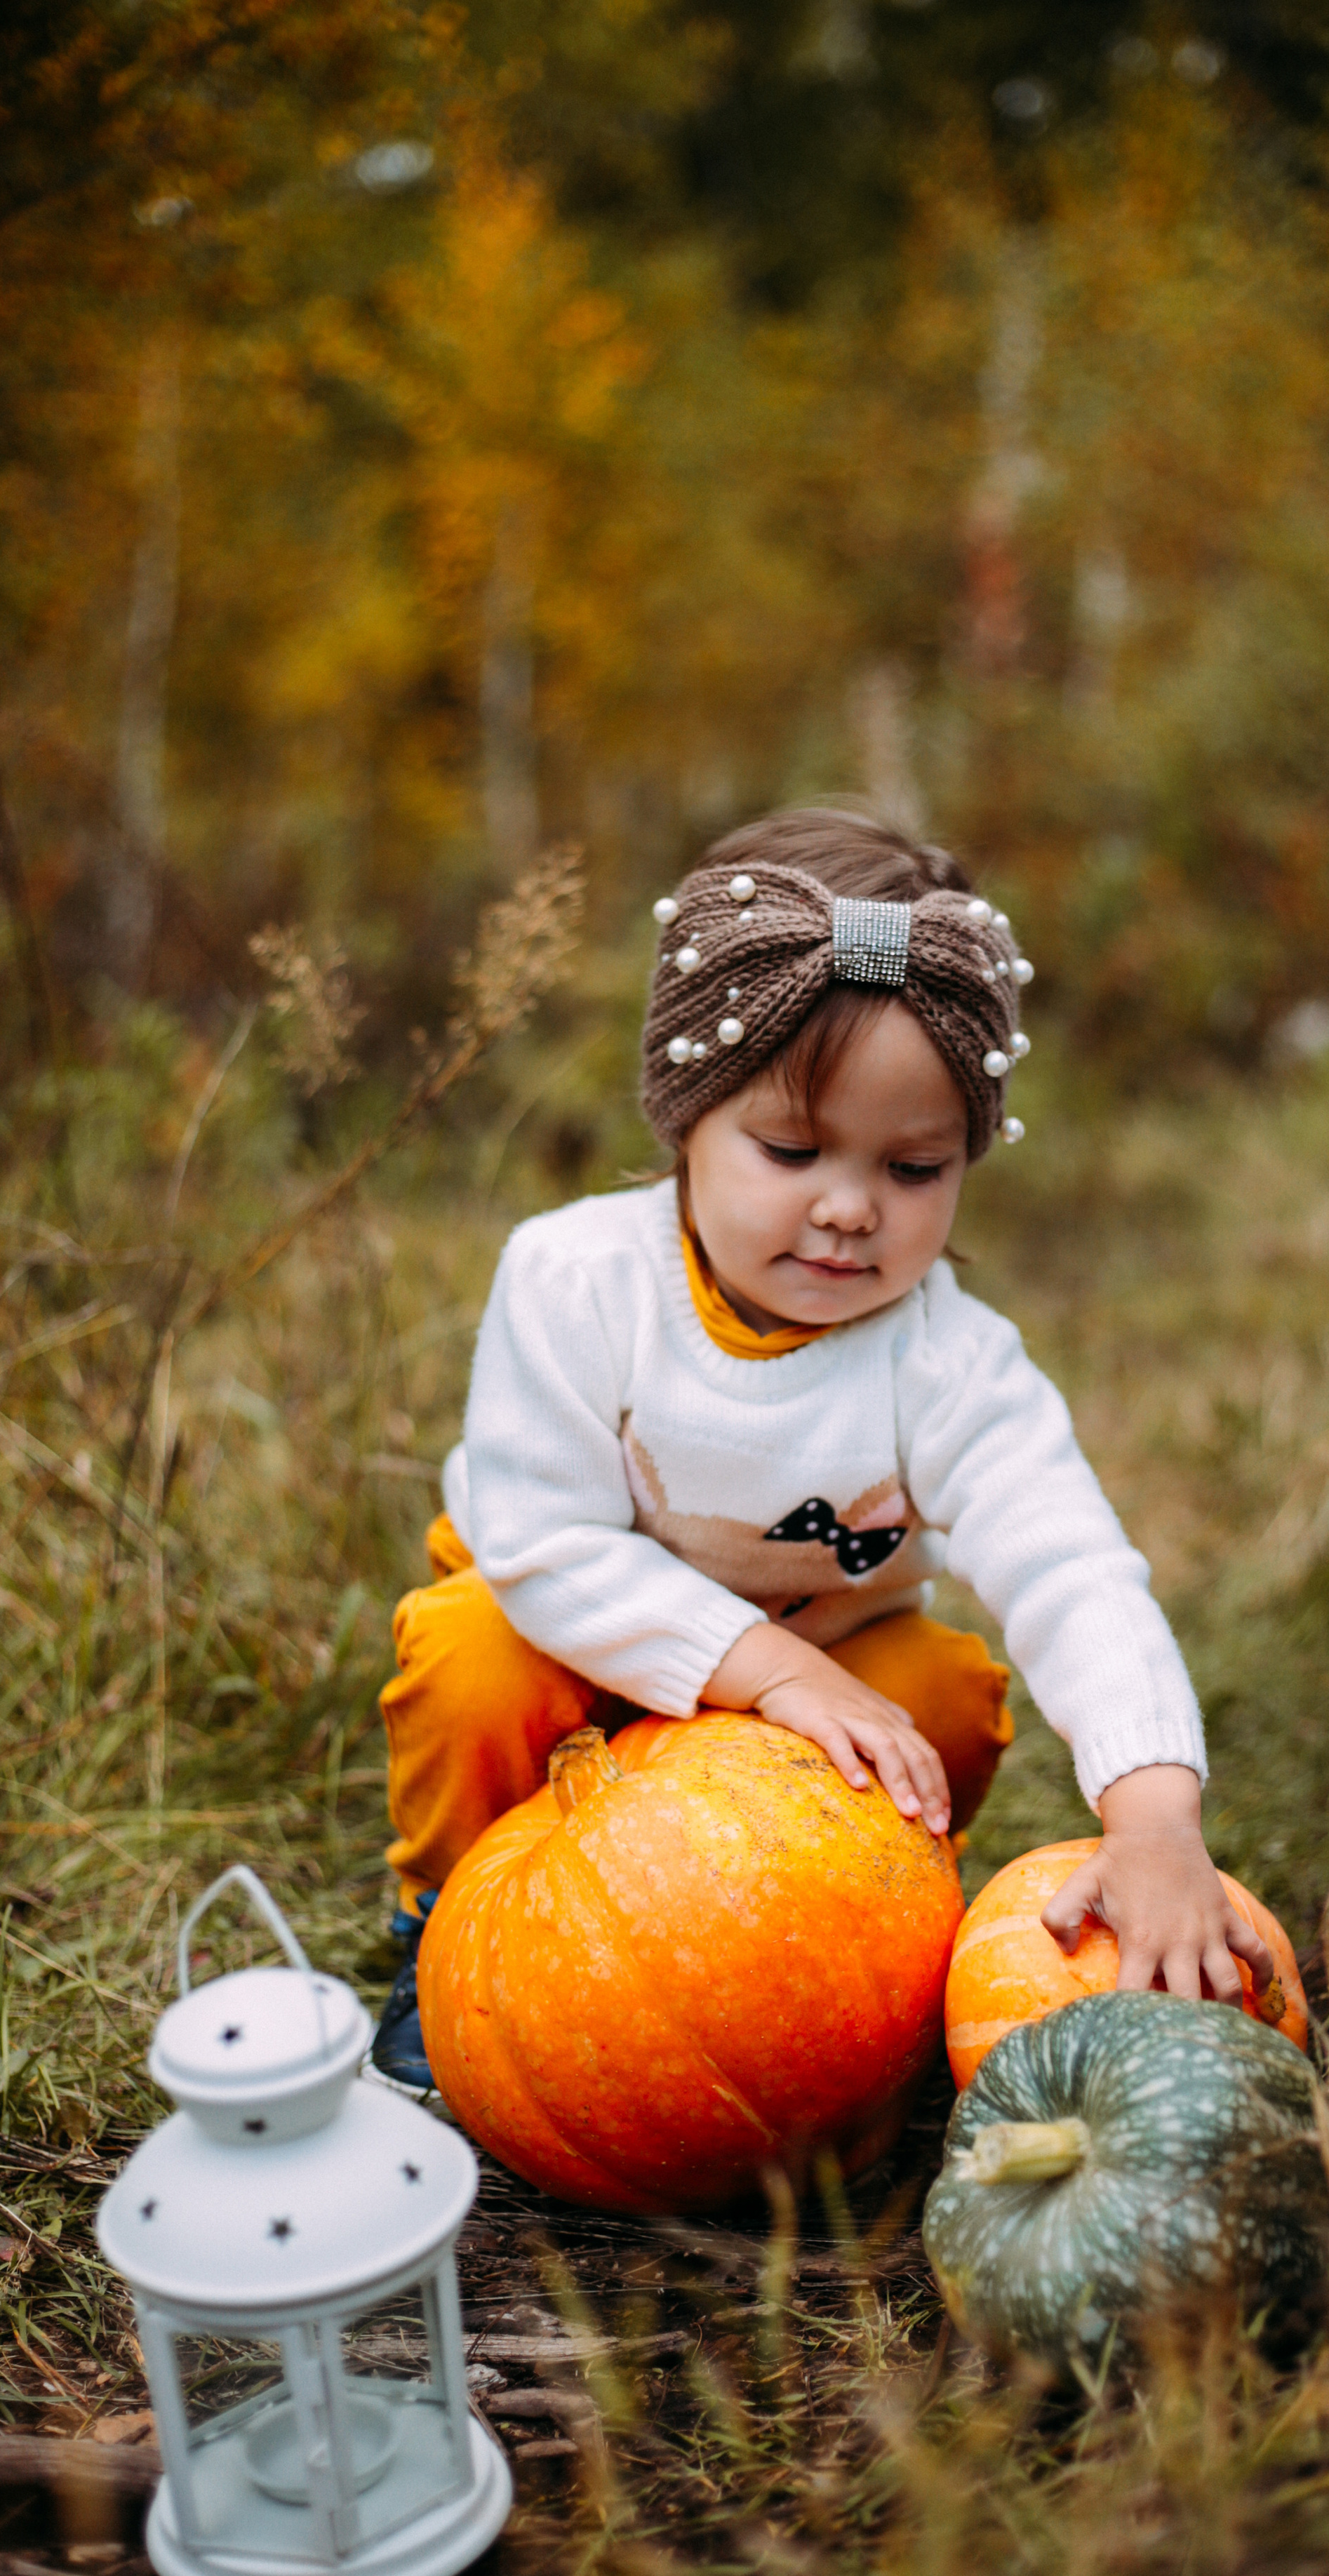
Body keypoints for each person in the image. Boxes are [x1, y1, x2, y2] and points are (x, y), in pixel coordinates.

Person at [368, 808, 1272, 2090]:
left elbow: (1071, 1567)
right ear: (689, 1114)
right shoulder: (575, 1278)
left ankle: (857, 1937)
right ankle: (445, 1937)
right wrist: (771, 1673)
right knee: (466, 1662)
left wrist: (1156, 1814)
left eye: (914, 1168)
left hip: (831, 1662)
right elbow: (545, 1542)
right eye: (791, 1152)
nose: (850, 1209)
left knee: (950, 1695)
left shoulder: (949, 1362)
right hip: (567, 1638)